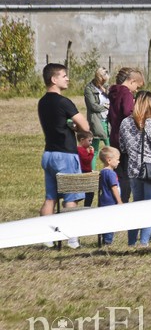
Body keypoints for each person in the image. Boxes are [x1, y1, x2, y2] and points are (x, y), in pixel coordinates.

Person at [38, 63, 90, 249]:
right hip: (65, 155)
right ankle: (72, 240)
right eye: (64, 75)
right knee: (71, 198)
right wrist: (75, 127)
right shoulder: (64, 102)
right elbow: (85, 127)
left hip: (49, 154)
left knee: (50, 197)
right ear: (54, 79)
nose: (67, 78)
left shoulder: (42, 102)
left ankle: (47, 238)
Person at [118, 91, 151, 248]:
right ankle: (144, 242)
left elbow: (123, 147)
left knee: (136, 206)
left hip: (133, 169)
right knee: (149, 207)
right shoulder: (149, 123)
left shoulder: (124, 123)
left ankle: (131, 242)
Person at [108, 67, 145, 203]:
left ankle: (115, 197)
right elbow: (128, 111)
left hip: (114, 138)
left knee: (118, 172)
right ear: (132, 81)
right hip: (125, 139)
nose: (136, 90)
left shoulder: (114, 92)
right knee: (126, 175)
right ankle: (123, 201)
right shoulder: (126, 93)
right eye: (137, 87)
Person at [84, 66, 110, 171]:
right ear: (99, 78)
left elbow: (112, 99)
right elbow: (92, 106)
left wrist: (105, 91)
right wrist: (105, 107)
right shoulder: (89, 89)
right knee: (94, 149)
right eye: (103, 80)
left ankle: (111, 171)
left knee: (110, 149)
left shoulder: (106, 87)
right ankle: (92, 172)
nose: (105, 82)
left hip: (107, 121)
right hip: (96, 121)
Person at [97, 146, 124, 245]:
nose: (119, 162)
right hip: (111, 201)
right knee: (111, 222)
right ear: (109, 160)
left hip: (103, 201)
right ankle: (108, 241)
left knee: (104, 221)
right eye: (117, 159)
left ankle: (104, 239)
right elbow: (114, 188)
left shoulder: (102, 172)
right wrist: (119, 201)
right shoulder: (111, 174)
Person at [76, 130, 95, 206]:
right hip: (85, 172)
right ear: (82, 140)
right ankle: (87, 206)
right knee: (90, 192)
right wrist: (91, 153)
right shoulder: (81, 150)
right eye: (89, 140)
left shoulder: (79, 149)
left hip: (82, 171)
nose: (91, 143)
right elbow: (87, 160)